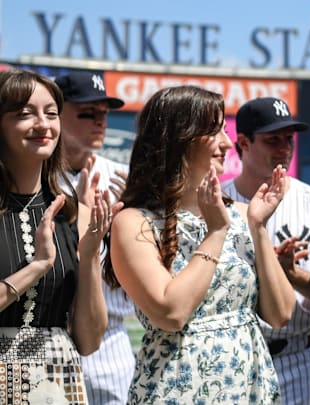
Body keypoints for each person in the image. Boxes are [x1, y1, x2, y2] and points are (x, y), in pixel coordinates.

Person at [107, 86, 296, 403]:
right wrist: (216, 231)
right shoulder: (133, 222)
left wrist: (259, 227)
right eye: (214, 131)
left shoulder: (244, 215)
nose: (226, 144)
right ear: (178, 138)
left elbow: (280, 314)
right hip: (174, 389)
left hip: (248, 387)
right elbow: (171, 313)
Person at [0, 69, 112, 403]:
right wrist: (36, 267)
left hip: (56, 379)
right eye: (24, 113)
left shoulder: (70, 211)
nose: (44, 124)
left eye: (51, 113)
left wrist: (90, 257)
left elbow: (89, 342)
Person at [221, 96, 310, 405]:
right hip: (230, 356)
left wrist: (292, 274)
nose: (284, 148)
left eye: (289, 139)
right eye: (272, 139)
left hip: (295, 355)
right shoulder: (217, 203)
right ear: (243, 143)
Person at [54, 70, 135, 404]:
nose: (99, 121)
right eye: (87, 112)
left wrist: (132, 222)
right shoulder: (30, 177)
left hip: (109, 343)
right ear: (56, 113)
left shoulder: (122, 181)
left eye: (104, 113)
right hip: (48, 337)